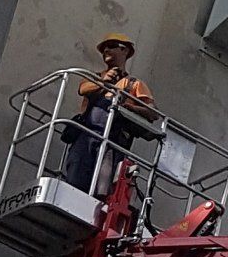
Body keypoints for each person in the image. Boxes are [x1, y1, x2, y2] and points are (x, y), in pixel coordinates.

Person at [60, 34, 160, 197]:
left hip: (111, 144)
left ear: (124, 50)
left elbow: (153, 112)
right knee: (75, 181)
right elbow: (82, 89)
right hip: (85, 138)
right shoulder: (95, 78)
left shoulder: (134, 84)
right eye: (104, 47)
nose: (106, 49)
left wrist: (129, 107)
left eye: (112, 45)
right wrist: (104, 82)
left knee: (102, 189)